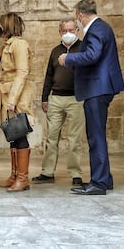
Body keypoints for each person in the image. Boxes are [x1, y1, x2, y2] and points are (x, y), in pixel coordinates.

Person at [58, 0, 124, 195]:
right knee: (97, 135)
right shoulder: (102, 27)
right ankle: (105, 178)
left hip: (98, 88)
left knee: (95, 137)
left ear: (80, 15)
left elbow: (93, 55)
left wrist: (68, 58)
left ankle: (99, 183)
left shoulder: (96, 29)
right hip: (100, 87)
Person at [32, 18, 85, 186]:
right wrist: (45, 98)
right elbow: (48, 75)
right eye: (64, 31)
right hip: (56, 99)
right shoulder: (55, 51)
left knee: (74, 139)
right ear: (60, 32)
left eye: (71, 30)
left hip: (76, 99)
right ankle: (47, 172)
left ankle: (76, 173)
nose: (68, 34)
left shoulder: (84, 48)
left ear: (77, 30)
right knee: (51, 138)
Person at [0, 12, 34, 192]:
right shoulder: (8, 45)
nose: (0, 28)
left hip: (16, 95)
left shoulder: (19, 44)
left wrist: (12, 100)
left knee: (19, 133)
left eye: (2, 24)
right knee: (12, 132)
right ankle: (14, 174)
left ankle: (22, 178)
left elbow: (22, 72)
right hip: (7, 92)